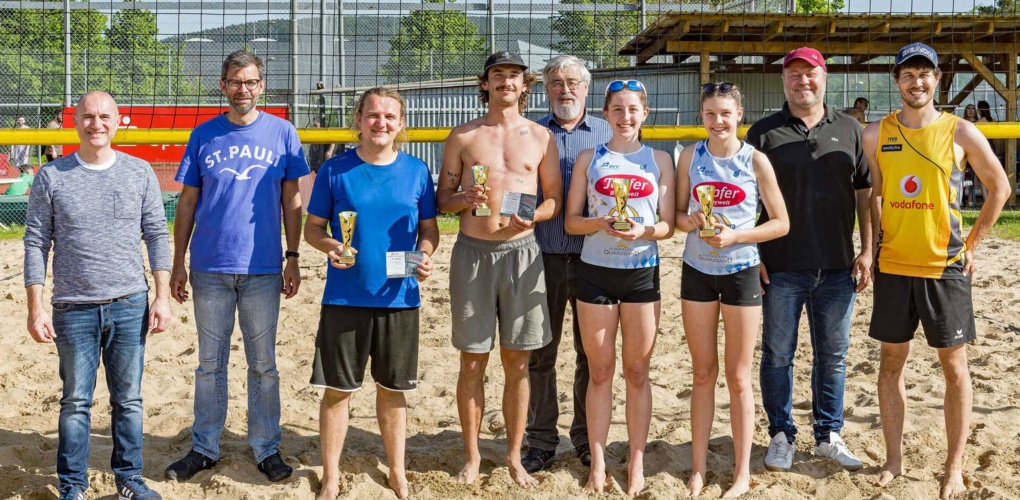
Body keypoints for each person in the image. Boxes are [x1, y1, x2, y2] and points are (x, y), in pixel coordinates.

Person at [863, 42, 1009, 499]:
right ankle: (893, 460)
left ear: (937, 78)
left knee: (954, 367)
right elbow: (875, 196)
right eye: (908, 74)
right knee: (890, 365)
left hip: (944, 267)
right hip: (893, 266)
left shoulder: (960, 131)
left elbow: (999, 187)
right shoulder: (875, 134)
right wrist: (870, 249)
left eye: (925, 73)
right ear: (897, 81)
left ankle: (953, 466)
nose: (917, 81)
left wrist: (972, 244)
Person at [165, 50, 310, 483]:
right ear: (224, 86)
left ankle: (266, 447)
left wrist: (294, 257)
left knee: (263, 363)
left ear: (261, 86)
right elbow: (188, 202)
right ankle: (204, 447)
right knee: (209, 364)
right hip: (209, 266)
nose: (242, 88)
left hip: (264, 268)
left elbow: (293, 201)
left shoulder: (283, 133)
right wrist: (178, 263)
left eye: (250, 81)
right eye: (234, 81)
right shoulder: (204, 135)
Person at [24, 90, 172, 500]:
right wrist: (35, 307)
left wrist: (161, 297)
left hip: (129, 303)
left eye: (104, 116)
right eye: (88, 116)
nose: (96, 124)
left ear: (118, 120)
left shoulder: (139, 172)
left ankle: (129, 479)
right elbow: (36, 244)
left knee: (128, 400)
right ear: (75, 123)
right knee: (75, 402)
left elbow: (157, 235)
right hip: (73, 307)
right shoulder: (52, 176)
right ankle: (73, 486)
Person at [305, 87, 439, 500]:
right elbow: (313, 229)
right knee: (338, 390)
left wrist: (426, 256)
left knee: (393, 389)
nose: (381, 123)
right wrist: (331, 247)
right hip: (345, 297)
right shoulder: (335, 170)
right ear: (358, 120)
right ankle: (330, 476)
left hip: (399, 298)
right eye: (373, 115)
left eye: (390, 116)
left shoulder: (417, 171)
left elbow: (429, 231)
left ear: (401, 124)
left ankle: (396, 471)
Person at [436, 50, 562, 489]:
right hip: (472, 252)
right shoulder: (463, 136)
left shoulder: (541, 137)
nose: (506, 81)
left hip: (522, 251)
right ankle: (472, 457)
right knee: (472, 362)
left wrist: (538, 217)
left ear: (525, 85)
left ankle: (513, 457)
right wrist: (462, 200)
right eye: (497, 75)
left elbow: (553, 200)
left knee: (518, 363)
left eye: (513, 75)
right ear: (484, 83)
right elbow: (442, 199)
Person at [745, 47, 872, 473]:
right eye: (794, 75)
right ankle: (781, 435)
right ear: (784, 81)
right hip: (780, 265)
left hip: (837, 265)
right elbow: (747, 203)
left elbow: (865, 196)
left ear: (825, 77)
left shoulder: (851, 129)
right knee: (778, 354)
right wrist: (754, 254)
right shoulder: (763, 132)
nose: (803, 82)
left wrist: (868, 249)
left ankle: (828, 434)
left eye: (810, 74)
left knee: (832, 355)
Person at [675, 82, 789, 497]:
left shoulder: (755, 160)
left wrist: (737, 237)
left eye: (725, 113)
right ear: (701, 116)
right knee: (702, 373)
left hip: (740, 271)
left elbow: (781, 222)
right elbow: (674, 216)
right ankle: (699, 469)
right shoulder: (689, 156)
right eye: (710, 114)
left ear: (739, 115)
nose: (717, 121)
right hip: (697, 270)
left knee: (739, 376)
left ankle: (742, 472)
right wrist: (693, 222)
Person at [563, 79, 675, 496]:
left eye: (633, 109)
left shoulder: (659, 158)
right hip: (595, 272)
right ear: (605, 113)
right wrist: (601, 224)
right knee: (600, 371)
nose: (625, 117)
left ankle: (637, 462)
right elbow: (572, 222)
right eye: (617, 109)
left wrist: (646, 230)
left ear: (644, 113)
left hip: (642, 271)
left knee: (638, 371)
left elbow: (667, 224)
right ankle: (597, 463)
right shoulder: (590, 158)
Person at [522, 54, 611, 474]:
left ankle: (584, 435)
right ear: (545, 89)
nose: (565, 89)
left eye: (573, 81)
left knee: (590, 355)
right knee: (540, 352)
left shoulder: (611, 132)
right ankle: (540, 438)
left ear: (587, 87)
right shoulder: (532, 132)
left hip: (599, 260)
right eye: (556, 82)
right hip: (544, 256)